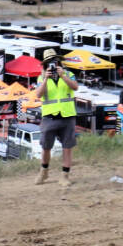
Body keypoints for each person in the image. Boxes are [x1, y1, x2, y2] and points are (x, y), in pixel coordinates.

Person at [33, 50, 79, 188]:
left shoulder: (69, 74)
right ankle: (44, 171)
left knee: (67, 147)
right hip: (49, 116)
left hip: (67, 115)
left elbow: (75, 87)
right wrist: (46, 79)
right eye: (49, 62)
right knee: (46, 146)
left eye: (54, 61)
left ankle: (65, 176)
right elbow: (38, 94)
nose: (53, 64)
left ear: (59, 62)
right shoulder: (41, 78)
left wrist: (63, 76)